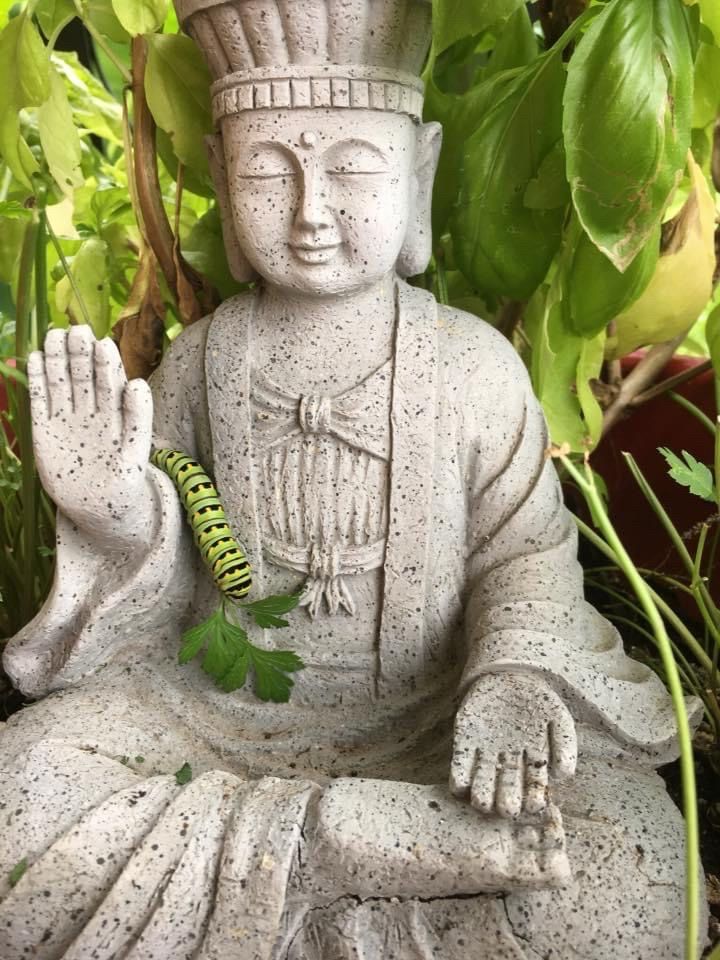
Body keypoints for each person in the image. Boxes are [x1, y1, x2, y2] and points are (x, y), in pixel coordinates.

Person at [0, 1, 704, 956]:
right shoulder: (199, 365)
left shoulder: (472, 368)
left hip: (439, 729)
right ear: (219, 174)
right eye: (267, 172)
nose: (311, 211)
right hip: (210, 726)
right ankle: (345, 849)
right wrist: (114, 508)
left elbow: (526, 558)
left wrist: (513, 677)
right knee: (21, 800)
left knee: (630, 873)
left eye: (351, 169)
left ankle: (318, 865)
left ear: (419, 175)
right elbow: (167, 587)